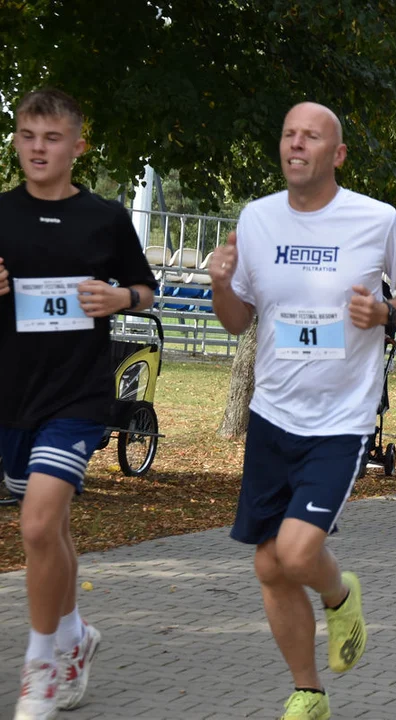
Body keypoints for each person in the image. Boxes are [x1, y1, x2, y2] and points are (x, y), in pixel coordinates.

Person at [211, 102, 396, 720]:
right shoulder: (256, 219)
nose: (296, 144)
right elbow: (237, 323)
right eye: (288, 134)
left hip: (342, 419)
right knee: (267, 562)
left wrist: (386, 313)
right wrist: (220, 284)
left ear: (336, 155)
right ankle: (308, 691)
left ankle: (341, 597)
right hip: (273, 415)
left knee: (298, 552)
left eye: (311, 137)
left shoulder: (376, 219)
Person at [0, 89, 157, 719]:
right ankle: (74, 636)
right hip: (12, 393)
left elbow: (146, 289)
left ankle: (41, 668)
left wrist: (119, 300)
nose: (39, 148)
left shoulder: (105, 218)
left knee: (36, 524)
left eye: (53, 137)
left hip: (78, 394)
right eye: (28, 136)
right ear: (15, 140)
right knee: (51, 526)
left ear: (77, 146)